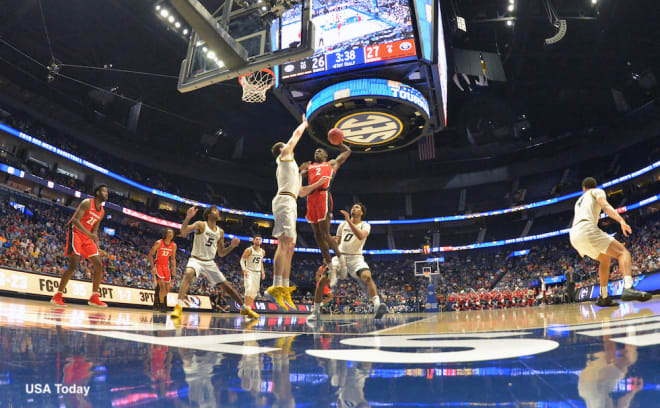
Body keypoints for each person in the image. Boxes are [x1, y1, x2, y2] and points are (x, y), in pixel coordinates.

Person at [266, 114, 331, 311]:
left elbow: (301, 192)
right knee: (284, 242)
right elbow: (295, 136)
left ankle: (284, 288)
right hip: (284, 200)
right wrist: (304, 123)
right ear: (281, 150)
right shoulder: (284, 155)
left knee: (291, 245)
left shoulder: (292, 169)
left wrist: (317, 183)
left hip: (291, 201)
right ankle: (276, 285)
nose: (290, 146)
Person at [569, 177, 651, 306]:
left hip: (574, 235)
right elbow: (606, 207)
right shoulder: (596, 191)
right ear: (593, 186)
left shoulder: (579, 200)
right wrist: (621, 220)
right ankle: (628, 287)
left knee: (605, 259)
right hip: (587, 229)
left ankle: (604, 296)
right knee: (623, 253)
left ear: (583, 189)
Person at [170, 205, 259, 320]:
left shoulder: (220, 232)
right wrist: (188, 217)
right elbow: (183, 231)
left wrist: (231, 246)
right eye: (215, 210)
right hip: (196, 259)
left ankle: (245, 308)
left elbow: (221, 253)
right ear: (208, 214)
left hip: (210, 262)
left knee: (228, 288)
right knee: (188, 273)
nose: (218, 212)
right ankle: (178, 307)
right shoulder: (201, 224)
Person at [308, 203, 387, 321]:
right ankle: (316, 311)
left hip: (356, 257)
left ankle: (377, 306)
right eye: (353, 206)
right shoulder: (342, 225)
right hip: (341, 256)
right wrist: (333, 241)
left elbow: (360, 236)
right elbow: (339, 243)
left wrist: (349, 221)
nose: (353, 208)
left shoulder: (365, 225)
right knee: (323, 279)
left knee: (367, 276)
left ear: (361, 213)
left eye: (357, 207)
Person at [51, 185, 110, 307]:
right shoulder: (87, 203)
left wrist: (97, 247)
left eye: (107, 191)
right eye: (104, 191)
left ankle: (94, 297)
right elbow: (75, 221)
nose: (106, 193)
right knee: (74, 264)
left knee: (98, 264)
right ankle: (57, 296)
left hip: (87, 237)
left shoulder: (102, 212)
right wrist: (89, 233)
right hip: (76, 232)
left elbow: (94, 232)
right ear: (97, 192)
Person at [305, 142, 351, 287]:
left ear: (325, 155)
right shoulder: (310, 167)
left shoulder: (331, 164)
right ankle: (331, 267)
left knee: (325, 234)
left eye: (320, 150)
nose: (317, 151)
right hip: (310, 198)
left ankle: (342, 261)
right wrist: (299, 171)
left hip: (323, 196)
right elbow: (297, 175)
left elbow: (347, 152)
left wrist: (339, 143)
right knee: (317, 236)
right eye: (315, 151)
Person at [148, 228, 177, 313]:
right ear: (166, 234)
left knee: (167, 289)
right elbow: (150, 255)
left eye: (172, 233)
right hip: (159, 266)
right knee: (162, 287)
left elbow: (173, 258)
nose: (171, 234)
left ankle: (160, 303)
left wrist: (173, 268)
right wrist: (153, 267)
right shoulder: (159, 242)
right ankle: (161, 305)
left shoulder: (174, 245)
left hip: (166, 267)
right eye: (169, 233)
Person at [240, 234, 266, 309]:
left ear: (261, 241)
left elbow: (261, 262)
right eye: (256, 239)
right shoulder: (249, 250)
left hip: (257, 273)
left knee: (254, 293)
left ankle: (248, 306)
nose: (258, 240)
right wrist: (244, 270)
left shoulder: (263, 252)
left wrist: (263, 272)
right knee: (248, 289)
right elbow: (242, 260)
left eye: (259, 239)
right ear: (253, 240)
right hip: (249, 271)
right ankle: (246, 308)